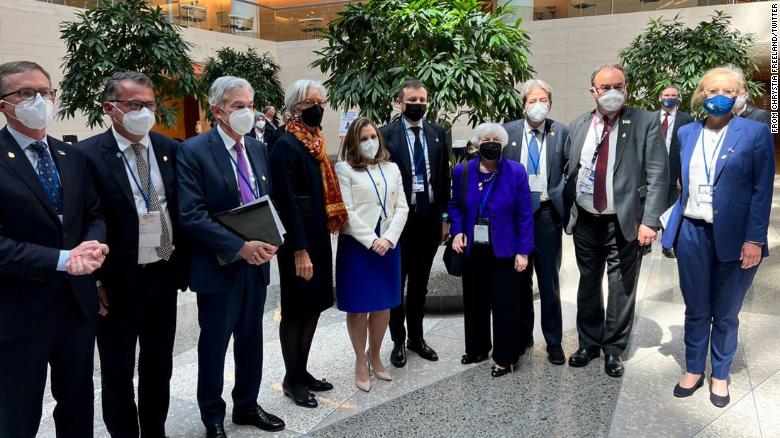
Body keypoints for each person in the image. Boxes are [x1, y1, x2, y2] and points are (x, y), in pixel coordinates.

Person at [0, 60, 108, 437]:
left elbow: (93, 212)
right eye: (25, 93)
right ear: (3, 104)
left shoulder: (70, 155)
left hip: (76, 305)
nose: (39, 100)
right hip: (19, 309)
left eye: (45, 92)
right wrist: (64, 260)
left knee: (78, 401)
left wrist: (92, 248)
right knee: (18, 408)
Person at [79, 72, 188, 438]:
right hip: (116, 281)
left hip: (162, 272)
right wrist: (93, 280)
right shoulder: (88, 155)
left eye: (150, 104)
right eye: (134, 104)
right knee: (117, 371)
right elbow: (84, 221)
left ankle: (155, 431)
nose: (144, 111)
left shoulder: (169, 149)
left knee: (159, 366)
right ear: (111, 109)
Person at [177, 76, 284, 438]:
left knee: (252, 339)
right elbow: (191, 214)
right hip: (219, 266)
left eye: (251, 105)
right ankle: (213, 415)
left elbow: (263, 200)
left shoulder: (256, 147)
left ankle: (247, 405)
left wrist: (272, 239)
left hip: (256, 266)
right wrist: (240, 247)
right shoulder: (193, 151)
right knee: (215, 344)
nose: (247, 112)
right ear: (217, 110)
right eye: (239, 106)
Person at [661, 66, 774, 408]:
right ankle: (695, 368)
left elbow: (761, 189)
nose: (718, 97)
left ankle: (720, 373)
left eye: (726, 90)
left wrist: (754, 239)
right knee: (696, 309)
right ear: (700, 96)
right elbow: (679, 182)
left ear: (740, 94)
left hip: (738, 237)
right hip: (692, 232)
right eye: (711, 91)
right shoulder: (687, 133)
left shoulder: (755, 132)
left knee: (726, 312)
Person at [562, 64, 669, 378]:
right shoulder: (579, 124)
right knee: (588, 285)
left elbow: (659, 174)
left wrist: (650, 221)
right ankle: (588, 343)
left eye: (618, 86)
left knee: (622, 288)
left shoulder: (645, 122)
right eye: (605, 87)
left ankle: (613, 350)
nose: (612, 93)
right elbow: (571, 171)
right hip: (585, 220)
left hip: (624, 222)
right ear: (592, 91)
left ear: (626, 88)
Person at [270, 79, 347, 408]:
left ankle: (302, 372)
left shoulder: (315, 141)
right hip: (296, 244)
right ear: (293, 108)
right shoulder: (285, 145)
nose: (317, 107)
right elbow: (286, 202)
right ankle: (291, 378)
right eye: (309, 103)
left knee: (314, 306)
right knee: (296, 310)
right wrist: (299, 250)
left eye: (320, 101)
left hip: (317, 238)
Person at [450, 123, 533, 377]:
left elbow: (525, 214)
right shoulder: (462, 171)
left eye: (496, 139)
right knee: (474, 301)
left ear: (504, 144)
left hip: (505, 249)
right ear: (476, 143)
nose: (491, 142)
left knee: (505, 305)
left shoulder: (516, 172)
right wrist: (457, 231)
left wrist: (523, 250)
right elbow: (455, 207)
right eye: (486, 139)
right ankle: (476, 348)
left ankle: (504, 357)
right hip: (473, 248)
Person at [379, 78, 451, 368]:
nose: (418, 105)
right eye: (412, 100)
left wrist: (446, 218)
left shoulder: (437, 133)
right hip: (399, 221)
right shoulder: (386, 135)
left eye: (422, 100)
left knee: (420, 283)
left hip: (429, 219)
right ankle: (398, 338)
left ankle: (417, 338)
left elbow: (444, 179)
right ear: (399, 102)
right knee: (397, 283)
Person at [335, 117, 408, 392]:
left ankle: (375, 356)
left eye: (373, 136)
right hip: (358, 245)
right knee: (359, 307)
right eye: (363, 138)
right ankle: (360, 361)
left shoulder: (392, 168)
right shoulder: (344, 169)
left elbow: (402, 207)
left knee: (383, 305)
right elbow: (347, 211)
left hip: (388, 243)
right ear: (354, 142)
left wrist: (388, 239)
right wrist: (372, 239)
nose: (370, 142)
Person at [503, 79, 570, 365]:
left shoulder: (561, 132)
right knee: (519, 281)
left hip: (545, 216)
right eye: (532, 100)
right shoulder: (509, 132)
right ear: (524, 104)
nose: (538, 105)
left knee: (548, 282)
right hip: (517, 219)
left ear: (550, 104)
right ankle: (522, 337)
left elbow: (570, 170)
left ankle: (553, 341)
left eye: (543, 100)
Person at [658, 85, 695, 258]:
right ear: (660, 97)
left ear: (678, 99)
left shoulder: (687, 119)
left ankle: (668, 242)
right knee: (651, 205)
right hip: (653, 171)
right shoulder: (649, 118)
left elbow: (688, 150)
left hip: (675, 172)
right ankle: (647, 240)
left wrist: (683, 175)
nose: (669, 97)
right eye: (667, 94)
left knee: (671, 208)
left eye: (673, 95)